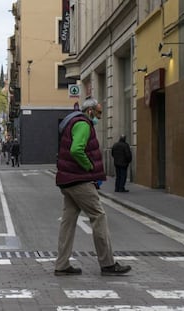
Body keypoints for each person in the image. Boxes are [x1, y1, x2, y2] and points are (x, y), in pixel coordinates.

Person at [55, 98, 131, 276]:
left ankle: (62, 264)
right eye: (98, 113)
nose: (99, 117)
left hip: (68, 180)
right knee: (98, 216)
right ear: (89, 112)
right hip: (79, 180)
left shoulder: (72, 123)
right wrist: (89, 167)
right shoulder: (83, 124)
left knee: (68, 221)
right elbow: (76, 149)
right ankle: (108, 263)